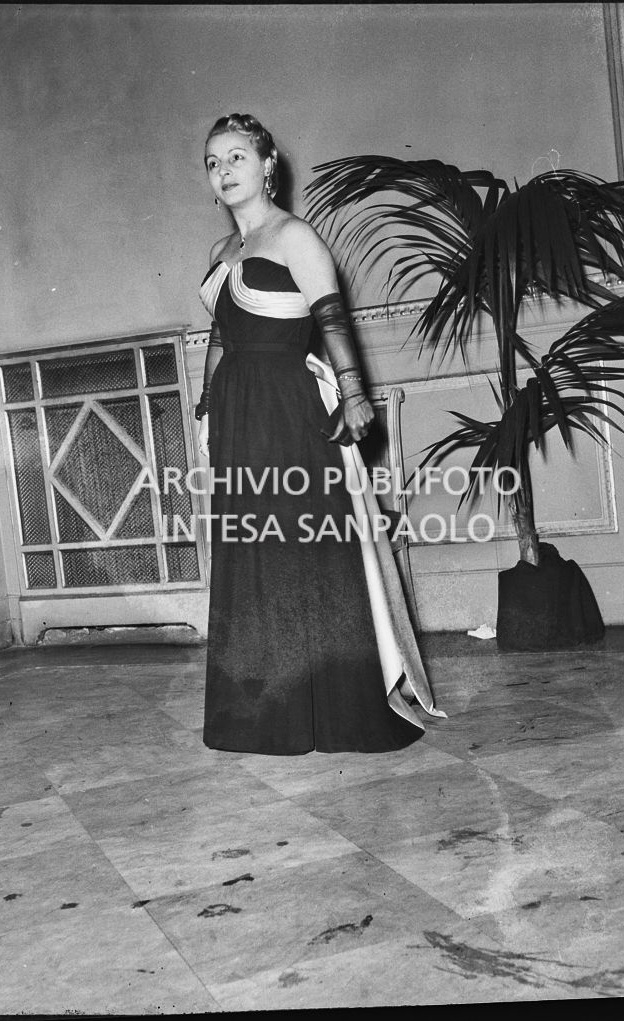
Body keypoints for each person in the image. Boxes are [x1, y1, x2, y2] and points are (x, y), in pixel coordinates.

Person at [194, 113, 443, 753]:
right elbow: (221, 338)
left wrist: (356, 395)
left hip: (288, 407)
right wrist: (204, 408)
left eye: (237, 157)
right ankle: (260, 715)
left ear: (267, 165)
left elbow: (333, 322)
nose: (224, 171)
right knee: (251, 551)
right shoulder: (221, 254)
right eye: (213, 161)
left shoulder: (295, 236)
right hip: (237, 415)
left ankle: (335, 711)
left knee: (304, 548)